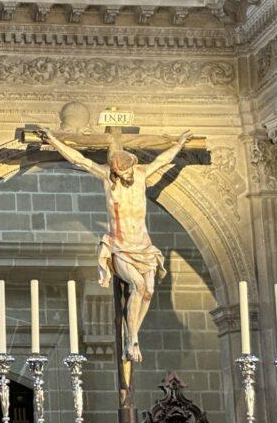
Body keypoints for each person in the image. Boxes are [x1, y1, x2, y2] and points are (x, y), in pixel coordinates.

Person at [40, 128, 193, 363]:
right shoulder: (106, 177)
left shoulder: (141, 173)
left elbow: (163, 160)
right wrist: (53, 140)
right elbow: (78, 159)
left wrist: (179, 144)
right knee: (138, 286)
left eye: (127, 170)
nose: (125, 175)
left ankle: (131, 336)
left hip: (143, 245)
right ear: (114, 170)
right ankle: (133, 340)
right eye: (120, 172)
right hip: (120, 245)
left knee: (149, 291)